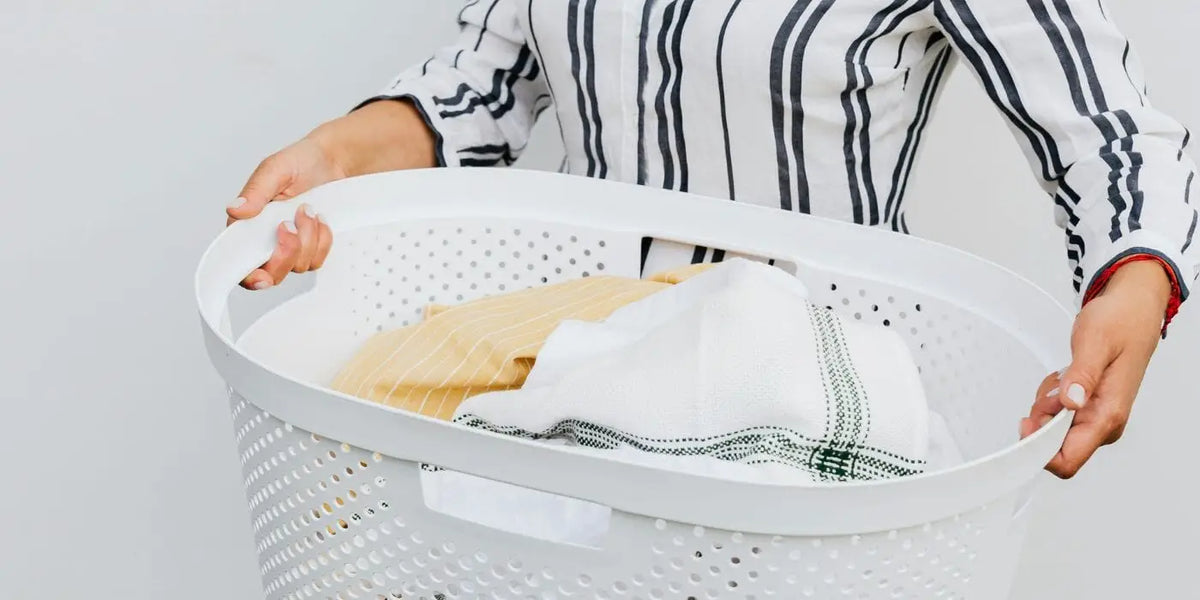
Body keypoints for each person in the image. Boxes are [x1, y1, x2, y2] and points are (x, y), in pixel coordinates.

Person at [226, 0, 1197, 479]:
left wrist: (1137, 281)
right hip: (570, 375)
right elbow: (482, 87)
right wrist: (337, 153)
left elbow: (1109, 128)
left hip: (808, 400)